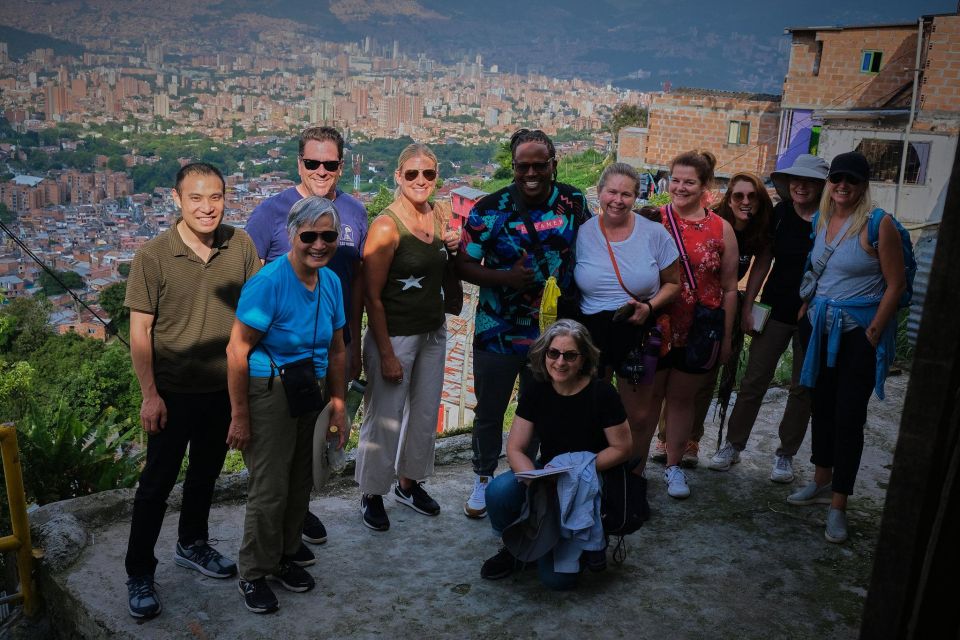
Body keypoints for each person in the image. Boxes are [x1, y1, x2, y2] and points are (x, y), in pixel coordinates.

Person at [122, 163, 261, 619]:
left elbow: (257, 309)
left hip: (222, 387)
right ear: (176, 200)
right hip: (172, 390)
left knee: (205, 474)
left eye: (215, 197)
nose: (207, 207)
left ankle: (192, 543)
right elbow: (140, 331)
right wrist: (149, 394)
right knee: (155, 485)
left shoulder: (239, 245)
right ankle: (139, 570)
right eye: (196, 198)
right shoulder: (154, 256)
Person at [245, 125, 367, 558]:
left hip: (322, 359)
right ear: (299, 164)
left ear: (341, 166)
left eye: (330, 164)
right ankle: (259, 563)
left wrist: (351, 348)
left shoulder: (353, 212)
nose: (321, 170)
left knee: (303, 466)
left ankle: (289, 542)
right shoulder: (270, 214)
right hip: (274, 368)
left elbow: (353, 286)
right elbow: (249, 282)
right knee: (272, 477)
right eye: (312, 162)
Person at [457, 128, 591, 519]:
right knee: (490, 410)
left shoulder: (573, 201)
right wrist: (505, 279)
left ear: (553, 165)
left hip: (551, 335)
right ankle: (483, 478)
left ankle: (527, 479)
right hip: (496, 329)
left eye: (539, 165)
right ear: (512, 167)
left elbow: (597, 239)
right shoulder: (489, 208)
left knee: (540, 409)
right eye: (522, 166)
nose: (531, 173)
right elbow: (463, 263)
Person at [226, 196, 347, 613]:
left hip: (307, 387)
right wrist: (240, 416)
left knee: (301, 478)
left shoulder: (329, 282)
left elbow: (337, 349)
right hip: (270, 387)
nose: (319, 244)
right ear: (291, 236)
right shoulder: (269, 282)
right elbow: (237, 350)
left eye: (327, 236)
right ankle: (253, 571)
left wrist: (338, 402)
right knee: (270, 486)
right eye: (309, 236)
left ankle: (285, 553)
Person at [788, 151, 904, 544]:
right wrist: (807, 307)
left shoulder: (877, 224)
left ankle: (839, 504)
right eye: (837, 178)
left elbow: (896, 284)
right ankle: (821, 481)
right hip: (819, 327)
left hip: (857, 334)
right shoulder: (823, 219)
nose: (843, 185)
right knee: (821, 406)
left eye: (851, 180)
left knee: (849, 416)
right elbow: (820, 271)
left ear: (863, 185)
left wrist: (874, 330)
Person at [480, 320, 631, 589]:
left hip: (590, 479)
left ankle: (585, 542)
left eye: (570, 355)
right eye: (554, 353)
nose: (560, 362)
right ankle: (518, 548)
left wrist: (575, 472)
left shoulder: (602, 393)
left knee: (557, 582)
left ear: (583, 358)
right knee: (498, 492)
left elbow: (622, 448)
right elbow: (515, 447)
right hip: (548, 473)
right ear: (544, 354)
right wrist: (534, 479)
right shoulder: (537, 390)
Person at [355, 143, 459, 531]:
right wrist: (385, 353)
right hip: (395, 334)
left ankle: (409, 482)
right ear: (398, 176)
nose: (420, 181)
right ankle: (371, 491)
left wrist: (453, 246)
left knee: (424, 411)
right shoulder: (386, 226)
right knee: (385, 416)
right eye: (412, 174)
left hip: (432, 329)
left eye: (428, 174)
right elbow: (372, 295)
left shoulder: (439, 213)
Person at [708, 155, 828, 481]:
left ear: (822, 186)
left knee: (803, 387)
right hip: (774, 309)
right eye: (795, 180)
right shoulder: (781, 215)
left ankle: (785, 455)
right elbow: (764, 260)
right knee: (753, 381)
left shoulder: (831, 219)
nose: (801, 186)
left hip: (813, 316)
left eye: (810, 181)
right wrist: (749, 305)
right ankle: (733, 446)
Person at [575, 162, 680, 475]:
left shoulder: (653, 234)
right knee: (590, 410)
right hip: (592, 332)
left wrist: (649, 307)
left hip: (637, 328)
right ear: (599, 192)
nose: (617, 200)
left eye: (626, 194)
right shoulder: (583, 233)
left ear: (637, 197)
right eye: (611, 192)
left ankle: (631, 480)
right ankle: (592, 475)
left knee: (637, 415)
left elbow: (673, 284)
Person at [649, 151, 739, 499]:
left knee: (683, 400)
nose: (680, 188)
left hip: (699, 330)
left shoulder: (721, 229)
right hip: (658, 326)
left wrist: (728, 337)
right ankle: (637, 468)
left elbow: (730, 287)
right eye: (675, 180)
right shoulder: (654, 220)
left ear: (705, 186)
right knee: (651, 397)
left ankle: (673, 467)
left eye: (689, 182)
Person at [681, 172, 774, 464]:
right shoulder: (713, 223)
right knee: (680, 375)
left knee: (708, 376)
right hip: (695, 306)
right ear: (729, 198)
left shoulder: (760, 231)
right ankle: (665, 439)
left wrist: (747, 308)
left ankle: (691, 442)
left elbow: (760, 266)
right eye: (739, 196)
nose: (745, 202)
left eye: (752, 196)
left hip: (725, 308)